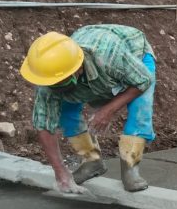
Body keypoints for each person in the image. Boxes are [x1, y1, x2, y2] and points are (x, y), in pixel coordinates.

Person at [19, 24, 157, 193]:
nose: (53, 88)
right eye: (51, 85)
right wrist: (60, 172)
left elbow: (143, 81)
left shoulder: (111, 58)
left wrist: (108, 110)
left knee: (140, 108)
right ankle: (92, 161)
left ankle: (130, 166)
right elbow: (44, 124)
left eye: (60, 83)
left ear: (76, 69)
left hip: (135, 56)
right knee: (66, 108)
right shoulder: (49, 75)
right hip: (94, 62)